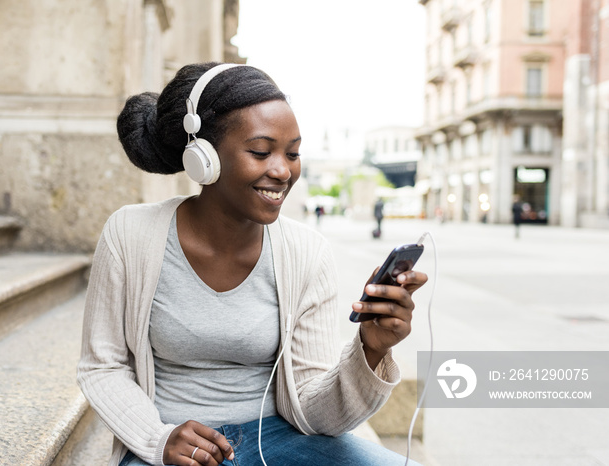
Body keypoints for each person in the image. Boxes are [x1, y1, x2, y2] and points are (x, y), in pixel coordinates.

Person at [77, 62, 428, 466]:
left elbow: (316, 413)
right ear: (203, 157)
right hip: (174, 443)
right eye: (261, 152)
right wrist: (158, 440)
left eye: (293, 153)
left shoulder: (306, 251)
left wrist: (370, 348)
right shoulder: (130, 233)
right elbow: (101, 366)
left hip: (278, 438)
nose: (282, 171)